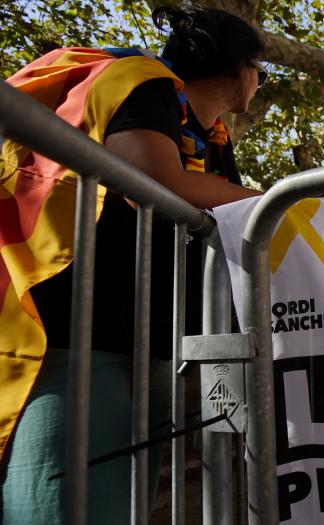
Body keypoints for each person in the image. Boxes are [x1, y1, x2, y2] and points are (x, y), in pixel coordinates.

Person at [1, 4, 264, 523]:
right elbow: (155, 178)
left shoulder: (213, 136)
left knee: (129, 505)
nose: (259, 83)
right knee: (71, 504)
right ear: (241, 68)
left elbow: (224, 209)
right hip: (74, 337)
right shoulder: (145, 82)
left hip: (154, 346)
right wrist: (280, 201)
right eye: (261, 72)